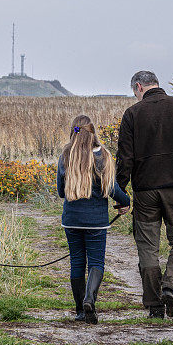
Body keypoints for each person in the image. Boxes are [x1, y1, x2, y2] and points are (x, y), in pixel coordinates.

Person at [115, 71, 173, 318]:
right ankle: (170, 287)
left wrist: (119, 190)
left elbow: (125, 157)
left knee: (147, 246)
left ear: (138, 86)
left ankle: (155, 304)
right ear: (157, 84)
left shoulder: (132, 114)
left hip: (145, 190)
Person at [57, 115, 130, 324]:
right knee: (96, 262)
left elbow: (61, 192)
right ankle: (90, 299)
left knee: (77, 262)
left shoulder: (65, 155)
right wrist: (125, 201)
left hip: (72, 219)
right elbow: (113, 189)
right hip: (97, 220)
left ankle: (80, 310)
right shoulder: (104, 155)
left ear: (73, 131)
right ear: (93, 132)